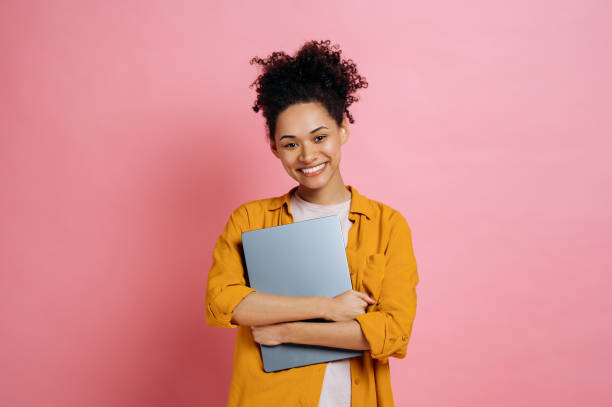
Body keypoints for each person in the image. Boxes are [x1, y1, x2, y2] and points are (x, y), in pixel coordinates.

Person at [205, 39, 419, 407]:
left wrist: (286, 329)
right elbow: (225, 303)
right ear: (274, 146)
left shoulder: (388, 225)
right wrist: (327, 308)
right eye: (290, 144)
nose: (308, 155)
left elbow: (392, 332)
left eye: (320, 137)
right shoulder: (250, 220)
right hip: (269, 398)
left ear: (343, 130)